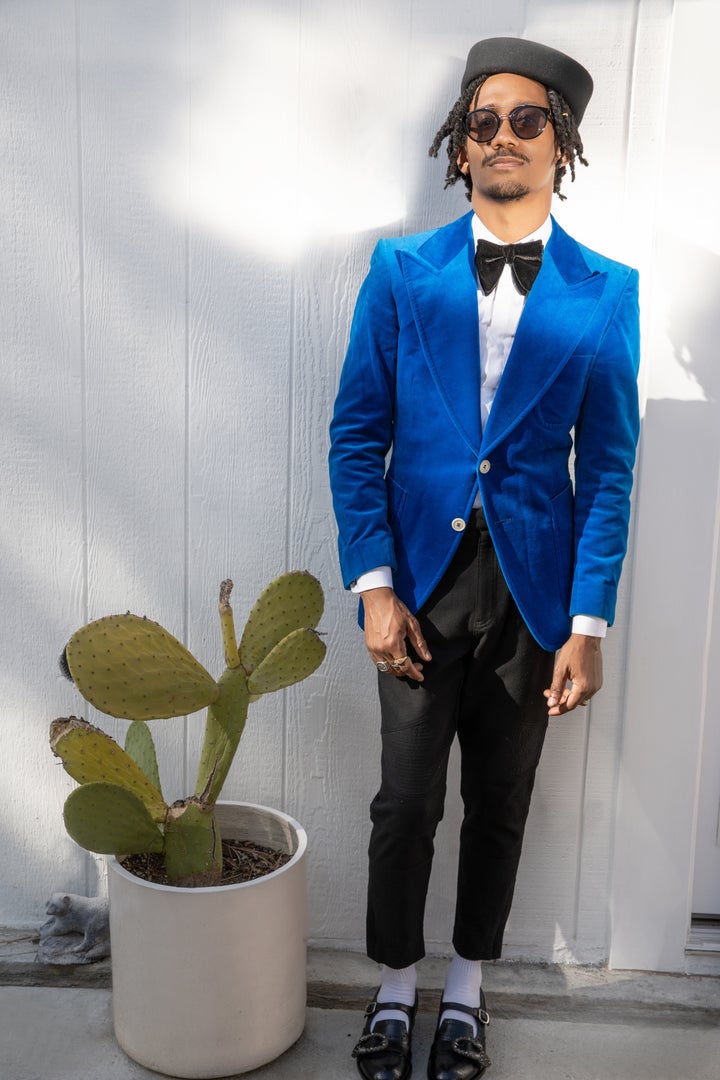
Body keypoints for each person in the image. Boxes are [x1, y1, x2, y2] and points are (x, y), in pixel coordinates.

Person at [328, 36, 640, 1080]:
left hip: (533, 595)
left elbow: (607, 469)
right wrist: (373, 586)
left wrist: (587, 623)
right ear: (459, 151)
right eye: (483, 121)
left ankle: (465, 993)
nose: (503, 136)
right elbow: (354, 435)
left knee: (501, 804)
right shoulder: (400, 272)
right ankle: (392, 987)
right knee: (406, 802)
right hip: (416, 584)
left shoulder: (607, 293)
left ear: (563, 145)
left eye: (527, 119)